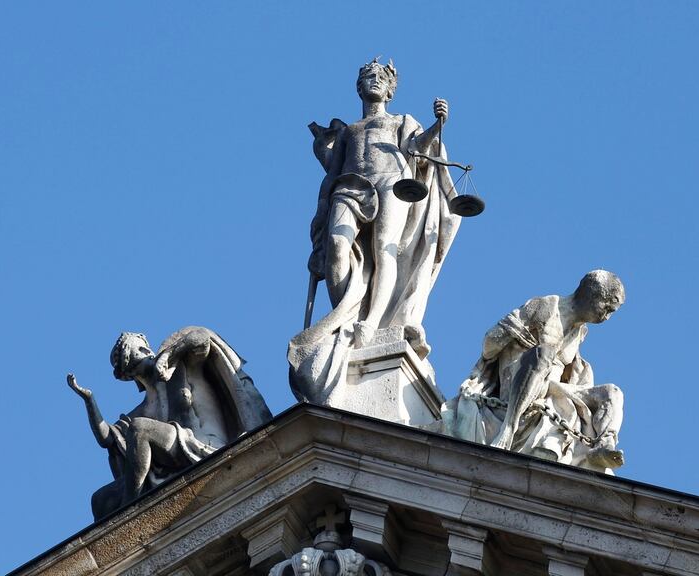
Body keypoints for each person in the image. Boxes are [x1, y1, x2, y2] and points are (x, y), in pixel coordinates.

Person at [290, 59, 461, 403]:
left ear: (389, 89)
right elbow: (330, 172)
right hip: (351, 185)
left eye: (379, 78)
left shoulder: (401, 121)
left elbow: (418, 147)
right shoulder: (350, 131)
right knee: (339, 245)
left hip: (393, 182)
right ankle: (345, 314)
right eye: (367, 77)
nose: (373, 82)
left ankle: (372, 322)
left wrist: (438, 123)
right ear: (359, 87)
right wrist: (321, 216)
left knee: (386, 248)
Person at [68, 327, 272, 519]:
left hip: (203, 445)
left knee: (141, 428)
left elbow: (201, 337)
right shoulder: (146, 407)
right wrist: (89, 400)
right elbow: (108, 438)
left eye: (140, 348)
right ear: (127, 374)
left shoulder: (181, 367)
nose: (145, 352)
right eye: (134, 354)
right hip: (174, 456)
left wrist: (168, 354)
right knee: (100, 500)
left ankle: (130, 511)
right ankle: (125, 523)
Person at [446, 270, 627, 472]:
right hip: (516, 379)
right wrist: (512, 332)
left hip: (550, 387)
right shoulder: (544, 307)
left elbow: (570, 371)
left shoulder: (580, 331)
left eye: (612, 312)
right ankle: (508, 429)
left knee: (613, 393)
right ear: (591, 295)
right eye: (607, 307)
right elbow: (489, 345)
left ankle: (603, 446)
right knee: (544, 354)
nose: (607, 317)